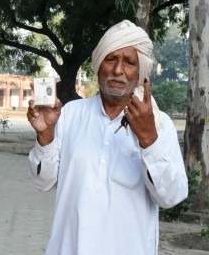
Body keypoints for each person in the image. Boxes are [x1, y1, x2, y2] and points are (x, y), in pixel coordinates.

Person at [27, 20, 188, 255]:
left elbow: (171, 196)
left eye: (129, 62)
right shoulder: (70, 114)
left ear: (140, 72)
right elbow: (43, 182)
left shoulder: (159, 124)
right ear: (99, 64)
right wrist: (45, 135)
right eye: (111, 59)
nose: (117, 70)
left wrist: (148, 139)